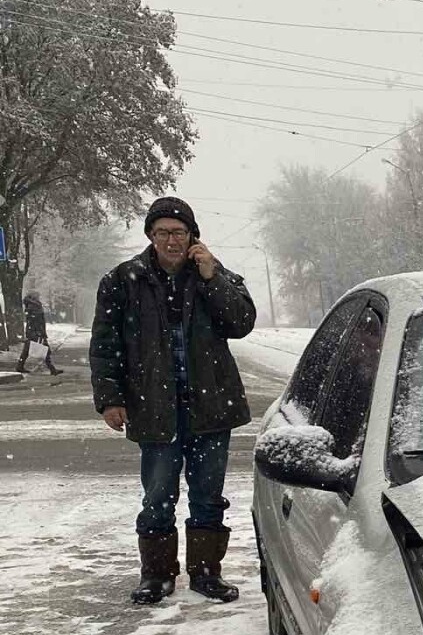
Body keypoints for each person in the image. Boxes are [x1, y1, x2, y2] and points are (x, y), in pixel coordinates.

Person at [90, 196, 256, 606]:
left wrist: (212, 277)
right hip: (153, 406)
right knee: (158, 495)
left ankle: (206, 572)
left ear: (192, 236)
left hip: (210, 407)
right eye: (162, 232)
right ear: (150, 235)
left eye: (179, 232)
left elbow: (241, 322)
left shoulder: (214, 274)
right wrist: (110, 399)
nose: (171, 240)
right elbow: (105, 345)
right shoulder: (123, 280)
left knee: (208, 495)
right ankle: (157, 574)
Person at [18, 291, 63, 377]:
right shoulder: (34, 306)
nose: (39, 297)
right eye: (37, 295)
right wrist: (40, 332)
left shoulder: (33, 305)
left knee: (28, 349)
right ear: (34, 297)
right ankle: (52, 369)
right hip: (36, 332)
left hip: (34, 331)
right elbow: (36, 321)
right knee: (45, 349)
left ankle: (20, 366)